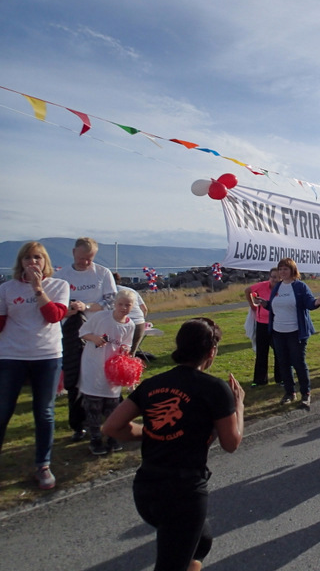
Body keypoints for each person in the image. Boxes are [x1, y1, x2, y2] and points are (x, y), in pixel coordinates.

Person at [103, 318, 245, 571]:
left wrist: (151, 432)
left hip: (146, 488)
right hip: (183, 493)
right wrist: (239, 407)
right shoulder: (215, 389)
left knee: (201, 543)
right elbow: (231, 443)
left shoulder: (152, 384)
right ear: (211, 351)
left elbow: (112, 427)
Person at [0, 242, 69, 490]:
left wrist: (38, 288)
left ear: (45, 261)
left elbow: (53, 316)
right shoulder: (7, 289)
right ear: (20, 262)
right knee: (3, 410)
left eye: (37, 257)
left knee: (44, 412)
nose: (32, 262)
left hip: (46, 355)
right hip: (11, 355)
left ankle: (43, 464)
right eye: (27, 257)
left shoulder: (58, 286)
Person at [55, 237, 117, 442]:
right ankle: (78, 424)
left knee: (103, 374)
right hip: (72, 332)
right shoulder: (62, 275)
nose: (85, 263)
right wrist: (68, 311)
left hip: (99, 330)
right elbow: (53, 308)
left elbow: (111, 302)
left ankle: (111, 418)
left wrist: (87, 306)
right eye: (82, 258)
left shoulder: (102, 273)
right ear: (74, 253)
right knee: (74, 379)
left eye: (89, 259)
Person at [268, 257, 320, 408]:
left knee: (298, 363)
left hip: (296, 332)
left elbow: (309, 303)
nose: (282, 272)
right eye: (280, 269)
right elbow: (273, 307)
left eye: (285, 269)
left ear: (292, 270)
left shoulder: (299, 286)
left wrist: (317, 302)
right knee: (283, 364)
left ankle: (305, 393)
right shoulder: (277, 287)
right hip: (278, 332)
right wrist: (263, 303)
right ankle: (289, 392)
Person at [79, 290, 136, 455]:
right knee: (93, 405)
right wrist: (94, 338)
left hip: (113, 370)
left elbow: (127, 344)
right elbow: (82, 332)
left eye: (128, 305)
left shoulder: (130, 325)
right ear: (115, 304)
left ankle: (112, 436)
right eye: (121, 304)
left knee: (112, 405)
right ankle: (95, 439)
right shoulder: (101, 317)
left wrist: (125, 350)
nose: (124, 308)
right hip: (94, 366)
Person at [244, 268, 280, 386]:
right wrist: (252, 305)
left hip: (277, 323)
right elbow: (247, 290)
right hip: (262, 323)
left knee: (279, 351)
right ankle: (259, 380)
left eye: (276, 277)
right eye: (272, 276)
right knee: (261, 352)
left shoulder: (283, 288)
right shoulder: (262, 286)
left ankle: (280, 379)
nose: (274, 279)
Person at [113, 272, 148, 357]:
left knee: (116, 352)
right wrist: (141, 319)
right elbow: (144, 309)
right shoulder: (131, 291)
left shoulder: (110, 292)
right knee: (131, 353)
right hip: (139, 322)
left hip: (123, 323)